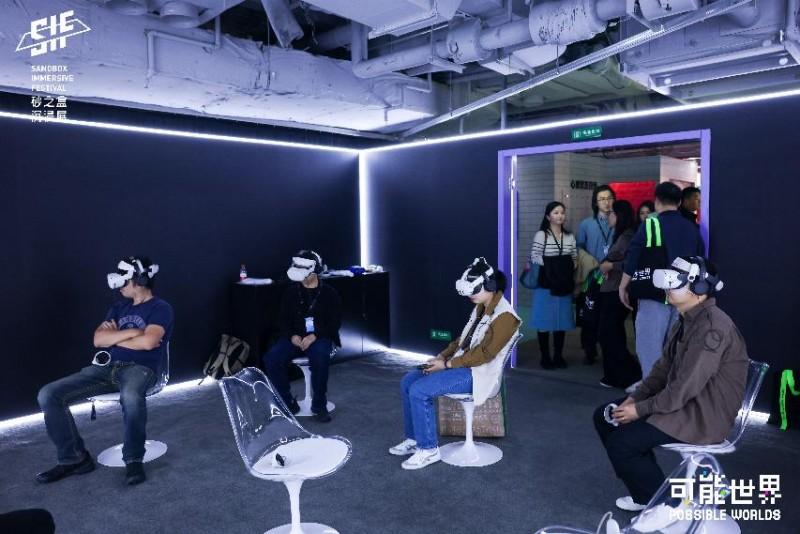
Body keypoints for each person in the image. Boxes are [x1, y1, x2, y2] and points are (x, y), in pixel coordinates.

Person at [594, 257, 746, 512]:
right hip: (683, 402)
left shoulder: (712, 327)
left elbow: (684, 388)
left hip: (703, 415)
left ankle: (665, 507)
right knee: (605, 417)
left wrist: (639, 410)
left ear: (699, 289)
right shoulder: (685, 319)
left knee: (623, 442)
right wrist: (635, 399)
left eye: (676, 282)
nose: (667, 286)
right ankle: (647, 496)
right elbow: (662, 370)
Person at [36, 257, 174, 486]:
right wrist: (135, 333)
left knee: (131, 396)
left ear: (139, 280)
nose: (118, 284)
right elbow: (98, 340)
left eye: (123, 279)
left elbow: (149, 342)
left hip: (141, 369)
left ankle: (133, 460)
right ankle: (75, 459)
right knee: (48, 394)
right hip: (106, 368)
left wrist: (117, 337)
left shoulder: (161, 308)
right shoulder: (118, 308)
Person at [389, 258, 520, 470]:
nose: (470, 295)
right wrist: (442, 357)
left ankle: (428, 450)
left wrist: (448, 365)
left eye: (475, 290)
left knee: (419, 390)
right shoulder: (481, 307)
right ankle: (414, 439)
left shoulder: (505, 316)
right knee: (408, 381)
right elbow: (462, 341)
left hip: (478, 374)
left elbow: (484, 355)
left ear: (491, 286)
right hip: (461, 365)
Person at [618, 182, 705, 379]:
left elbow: (633, 256)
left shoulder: (651, 224)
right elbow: (700, 259)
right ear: (680, 202)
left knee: (649, 349)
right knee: (674, 349)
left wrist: (623, 286)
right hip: (683, 298)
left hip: (655, 295)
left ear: (657, 202)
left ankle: (652, 392)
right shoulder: (691, 227)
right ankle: (671, 391)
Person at [263, 250, 341, 423]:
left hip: (320, 336)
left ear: (315, 272)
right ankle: (287, 403)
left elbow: (334, 323)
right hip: (294, 337)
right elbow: (282, 320)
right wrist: (292, 336)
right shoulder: (291, 292)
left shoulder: (330, 294)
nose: (302, 279)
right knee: (272, 358)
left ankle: (319, 405)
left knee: (319, 357)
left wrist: (314, 336)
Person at [597, 200, 642, 389]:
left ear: (619, 215)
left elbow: (634, 262)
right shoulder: (621, 235)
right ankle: (614, 375)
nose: (608, 216)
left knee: (609, 334)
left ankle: (628, 374)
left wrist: (610, 265)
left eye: (612, 213)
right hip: (611, 289)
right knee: (611, 333)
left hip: (618, 290)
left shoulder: (628, 236)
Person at [532, 202, 577, 369]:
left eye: (562, 212)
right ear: (548, 216)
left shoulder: (569, 236)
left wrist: (567, 267)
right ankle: (545, 357)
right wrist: (554, 266)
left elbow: (574, 256)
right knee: (544, 321)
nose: (560, 215)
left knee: (561, 321)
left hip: (564, 283)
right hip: (546, 284)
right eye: (556, 212)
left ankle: (558, 356)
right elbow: (535, 256)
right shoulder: (541, 235)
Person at [577, 185, 616, 365]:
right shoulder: (586, 224)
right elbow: (578, 248)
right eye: (602, 199)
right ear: (595, 202)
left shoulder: (618, 222)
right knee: (589, 315)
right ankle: (589, 350)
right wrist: (592, 263)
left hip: (614, 276)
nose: (606, 202)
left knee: (610, 316)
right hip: (592, 276)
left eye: (609, 198)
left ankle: (610, 350)